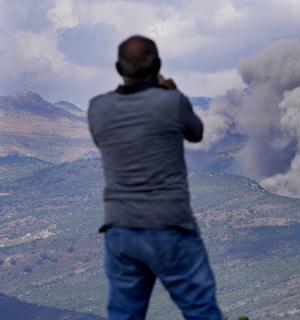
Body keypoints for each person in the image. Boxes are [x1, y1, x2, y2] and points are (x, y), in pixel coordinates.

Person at [87, 35, 222, 320]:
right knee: (201, 311)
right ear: (158, 65)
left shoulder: (97, 108)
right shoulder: (172, 102)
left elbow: (106, 142)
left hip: (120, 229)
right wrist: (172, 91)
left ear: (118, 68)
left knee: (124, 315)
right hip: (170, 227)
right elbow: (195, 133)